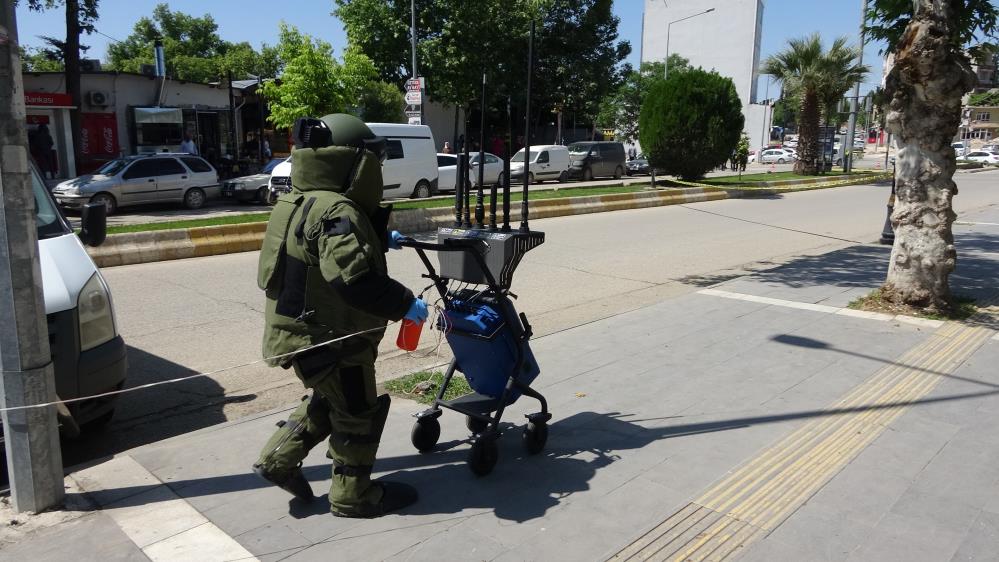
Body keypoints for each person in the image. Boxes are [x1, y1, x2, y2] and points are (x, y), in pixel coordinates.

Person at [253, 113, 427, 518]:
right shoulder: (338, 209)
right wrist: (405, 304)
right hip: (332, 339)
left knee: (331, 400)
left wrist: (380, 236)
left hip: (296, 335)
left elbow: (311, 244)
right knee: (357, 413)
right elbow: (356, 281)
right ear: (355, 162)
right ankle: (353, 496)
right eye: (374, 161)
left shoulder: (296, 200)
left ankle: (276, 460)